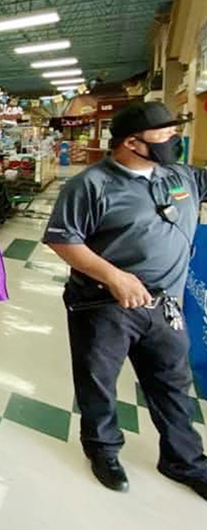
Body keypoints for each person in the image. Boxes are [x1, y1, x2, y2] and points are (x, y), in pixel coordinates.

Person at [43, 102, 207, 500]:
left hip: (165, 307)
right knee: (99, 382)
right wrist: (114, 277)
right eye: (164, 134)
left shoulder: (179, 176)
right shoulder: (90, 185)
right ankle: (102, 450)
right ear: (132, 142)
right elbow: (62, 239)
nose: (173, 140)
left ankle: (184, 460)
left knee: (172, 382)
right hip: (103, 305)